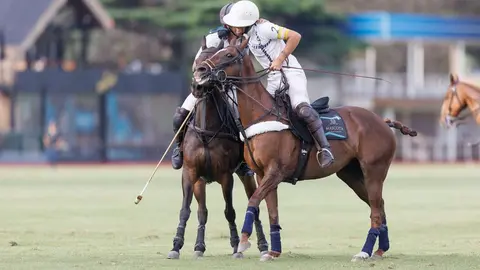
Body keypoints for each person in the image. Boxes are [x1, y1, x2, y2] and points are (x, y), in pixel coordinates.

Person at [220, 0, 334, 168]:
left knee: (302, 109)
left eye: (238, 25)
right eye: (233, 25)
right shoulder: (244, 37)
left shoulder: (265, 28)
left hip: (291, 73)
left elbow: (295, 36)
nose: (235, 28)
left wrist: (280, 59)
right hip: (274, 78)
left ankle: (324, 149)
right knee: (263, 115)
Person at [171, 2, 254, 177]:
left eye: (242, 23)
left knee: (243, 120)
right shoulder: (214, 38)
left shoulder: (247, 39)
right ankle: (179, 149)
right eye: (236, 23)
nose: (239, 28)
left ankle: (243, 160)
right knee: (180, 115)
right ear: (227, 23)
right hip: (206, 89)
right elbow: (197, 66)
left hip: (231, 88)